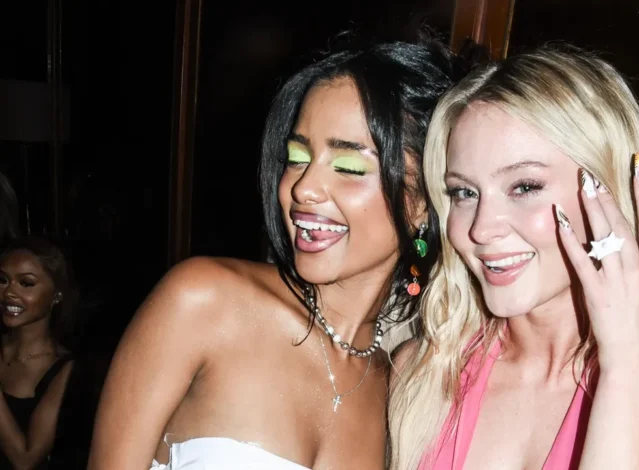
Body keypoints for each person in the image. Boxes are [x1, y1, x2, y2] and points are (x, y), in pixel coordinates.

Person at [88, 34, 457, 469]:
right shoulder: (205, 301)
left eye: (348, 167)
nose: (303, 188)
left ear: (423, 203)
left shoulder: (399, 392)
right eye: (297, 157)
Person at [389, 46, 639, 469]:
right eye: (464, 192)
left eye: (524, 187)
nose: (481, 229)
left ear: (609, 192)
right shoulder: (421, 377)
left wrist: (627, 367)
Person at [0, 237, 77, 469]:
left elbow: (26, 459)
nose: (9, 292)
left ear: (56, 296)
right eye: (2, 280)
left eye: (26, 283)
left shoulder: (65, 370)